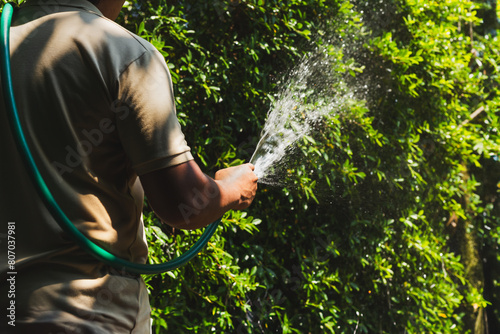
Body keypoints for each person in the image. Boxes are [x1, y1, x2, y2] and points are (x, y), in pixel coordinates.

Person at [0, 0, 258, 333]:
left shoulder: (10, 38)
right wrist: (229, 188)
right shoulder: (123, 53)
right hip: (89, 316)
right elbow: (183, 203)